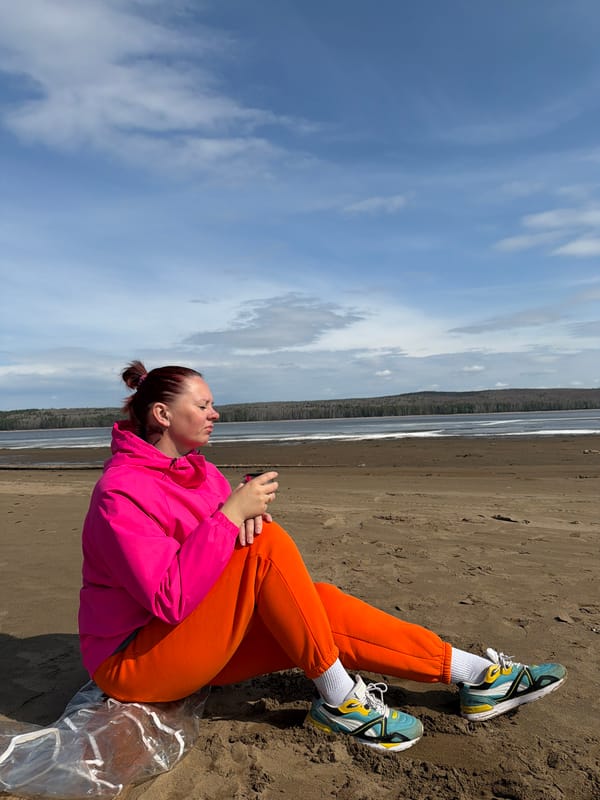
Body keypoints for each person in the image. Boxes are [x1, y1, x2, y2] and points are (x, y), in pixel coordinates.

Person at [78, 361, 566, 754]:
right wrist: (230, 520)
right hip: (135, 662)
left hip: (189, 639)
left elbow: (218, 557)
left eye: (213, 405)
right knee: (268, 552)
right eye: (203, 405)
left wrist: (239, 519)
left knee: (317, 604)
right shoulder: (121, 492)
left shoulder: (202, 475)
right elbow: (169, 598)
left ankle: (476, 676)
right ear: (163, 415)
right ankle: (341, 701)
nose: (215, 413)